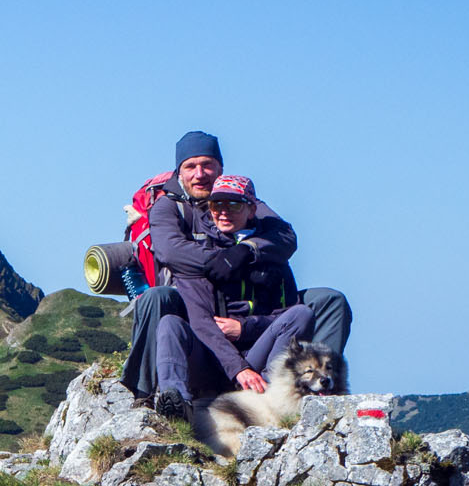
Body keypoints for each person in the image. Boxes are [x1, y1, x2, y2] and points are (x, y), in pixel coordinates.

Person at [119, 130, 350, 404]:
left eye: (207, 165)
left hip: (250, 310)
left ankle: (321, 389)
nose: (199, 173)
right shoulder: (167, 207)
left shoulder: (241, 196)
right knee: (159, 301)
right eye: (190, 166)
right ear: (179, 172)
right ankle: (149, 391)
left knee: (329, 301)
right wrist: (218, 259)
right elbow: (171, 251)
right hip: (190, 302)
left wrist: (245, 251)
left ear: (220, 168)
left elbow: (284, 237)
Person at [151, 175, 313, 415]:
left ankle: (268, 393)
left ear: (251, 210)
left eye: (234, 204)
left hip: (257, 353)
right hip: (211, 357)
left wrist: (245, 327)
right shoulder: (199, 257)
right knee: (170, 324)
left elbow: (285, 315)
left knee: (302, 313)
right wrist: (238, 368)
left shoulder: (269, 255)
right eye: (217, 205)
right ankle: (177, 405)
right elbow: (200, 321)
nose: (224, 212)